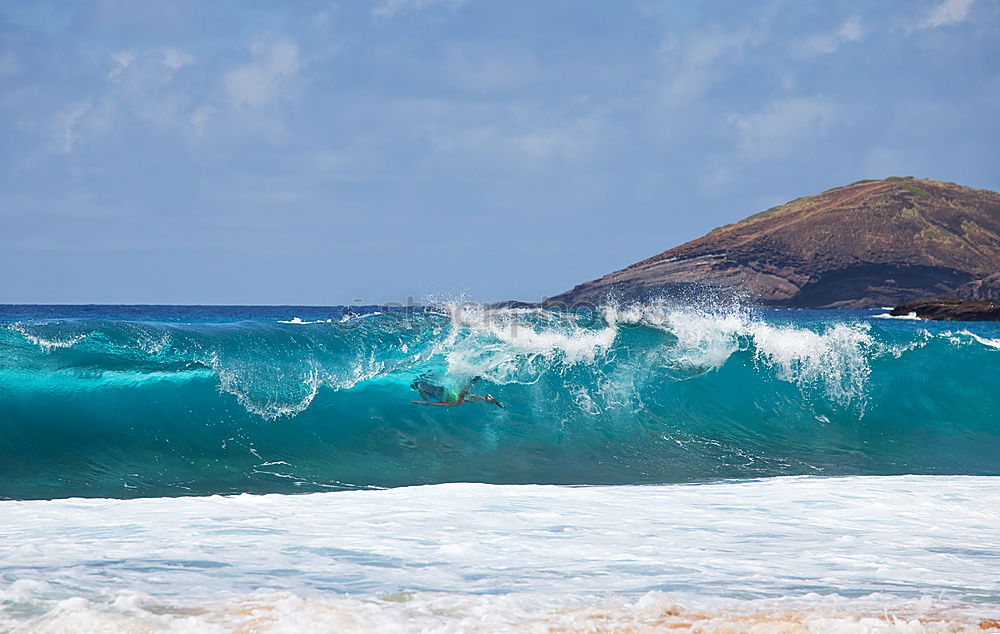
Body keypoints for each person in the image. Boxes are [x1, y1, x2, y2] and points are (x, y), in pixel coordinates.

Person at [410, 373, 504, 408]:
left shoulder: (460, 400)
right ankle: (489, 399)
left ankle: (488, 398)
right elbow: (436, 403)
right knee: (469, 394)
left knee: (469, 394)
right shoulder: (461, 400)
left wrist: (422, 402)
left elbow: (437, 403)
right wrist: (423, 402)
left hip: (452, 398)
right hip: (451, 397)